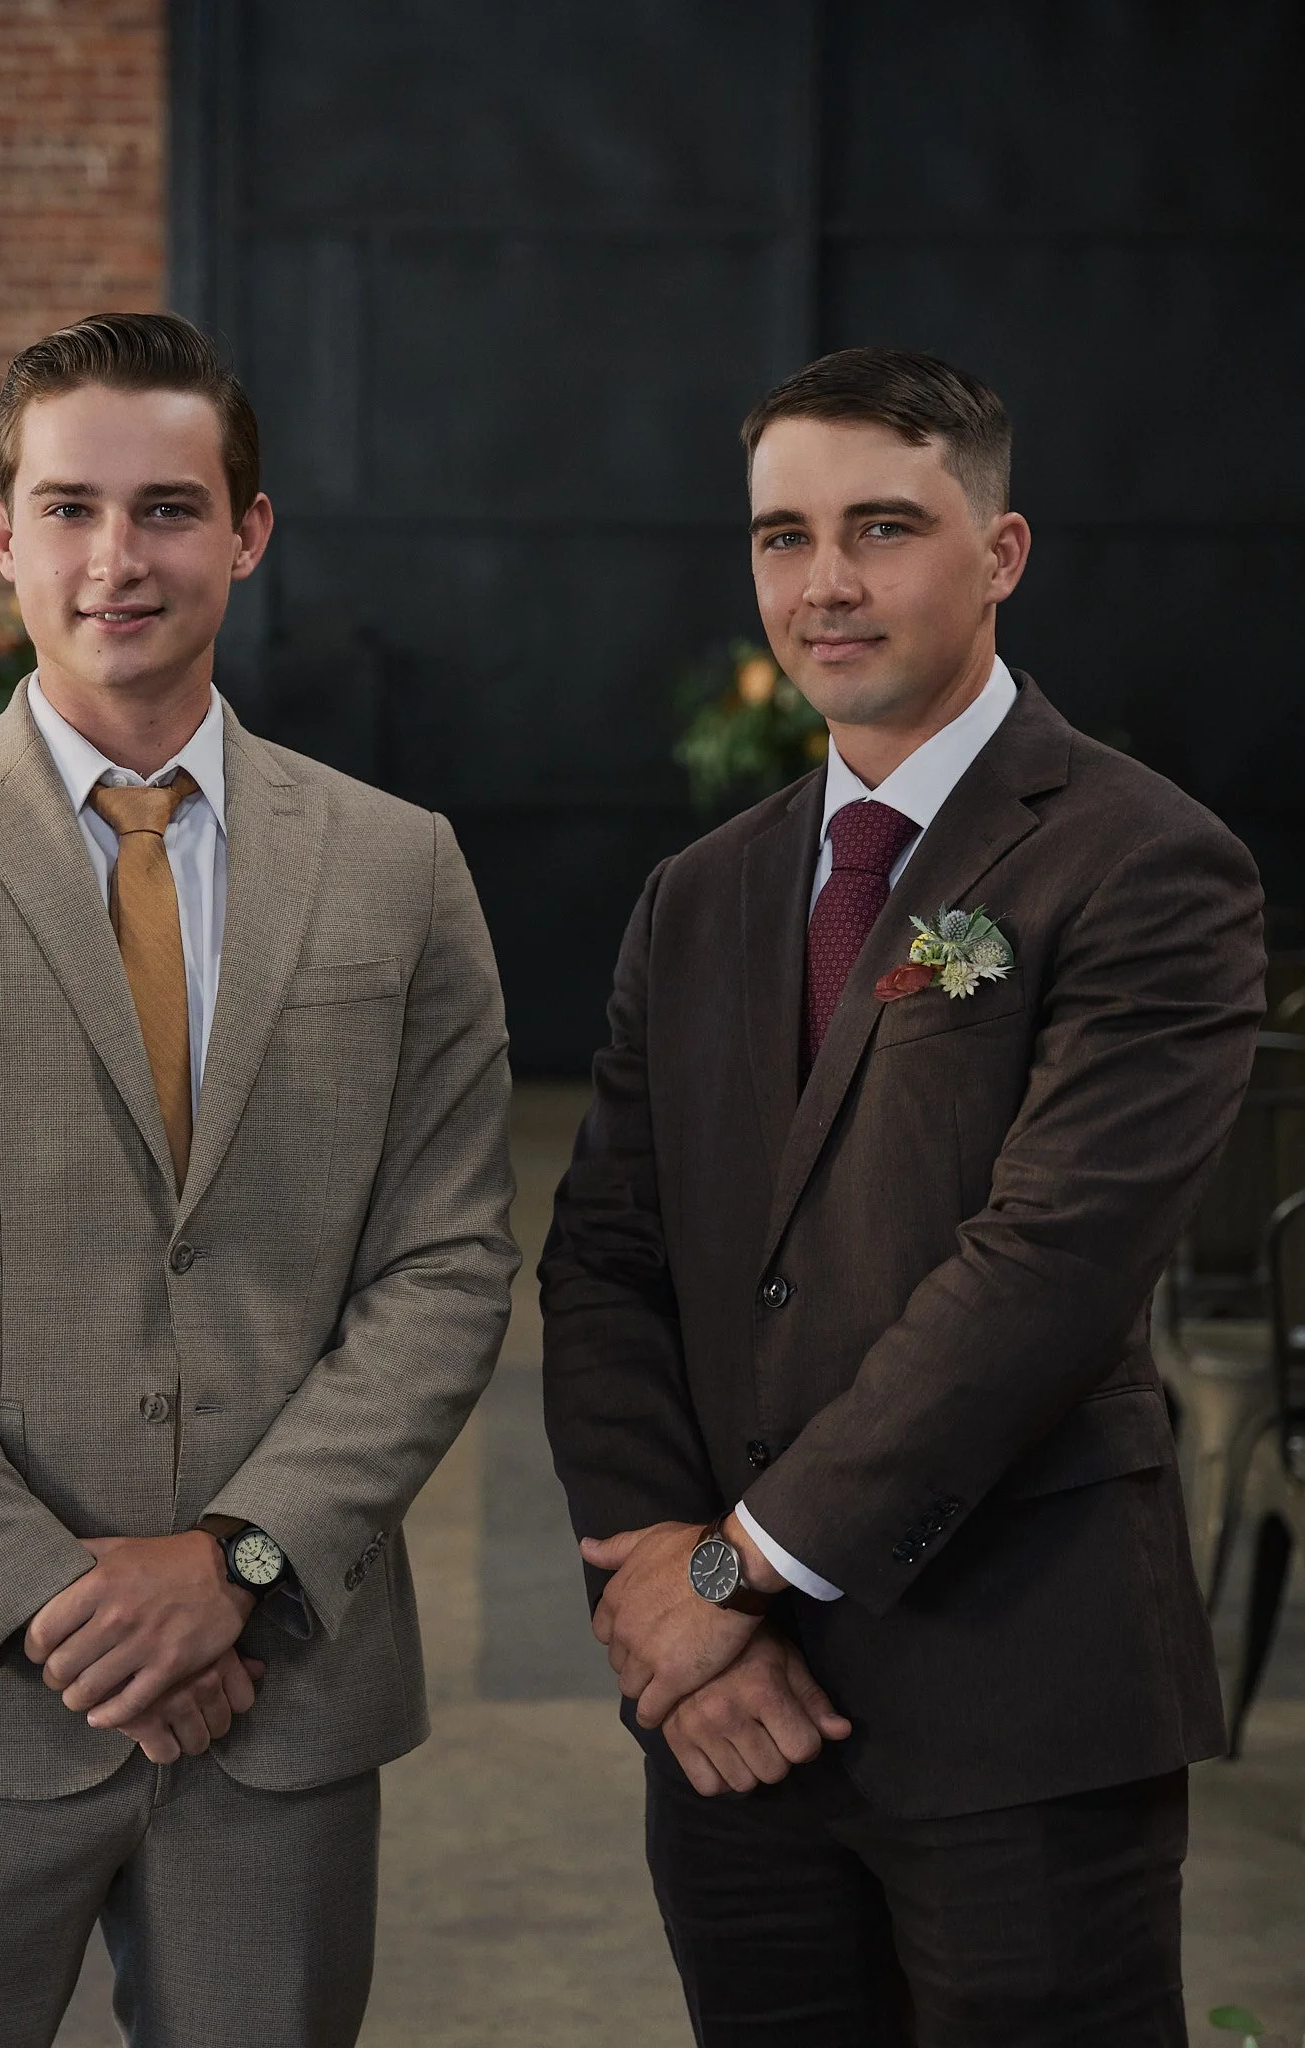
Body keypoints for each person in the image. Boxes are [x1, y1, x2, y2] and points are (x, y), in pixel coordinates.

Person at [0, 311, 518, 2048]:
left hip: (279, 1704)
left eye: (166, 509)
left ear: (247, 531)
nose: (116, 559)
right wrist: (61, 1598)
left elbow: (447, 1264)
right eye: (70, 508)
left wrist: (233, 1567)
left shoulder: (396, 869)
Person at [540, 346, 1265, 2047]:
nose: (825, 583)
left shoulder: (1144, 863)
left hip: (1014, 1701)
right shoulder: (699, 894)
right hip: (730, 1724)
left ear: (998, 553)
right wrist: (668, 1590)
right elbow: (605, 1258)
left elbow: (1043, 1276)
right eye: (781, 537)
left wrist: (727, 1577)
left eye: (880, 527)